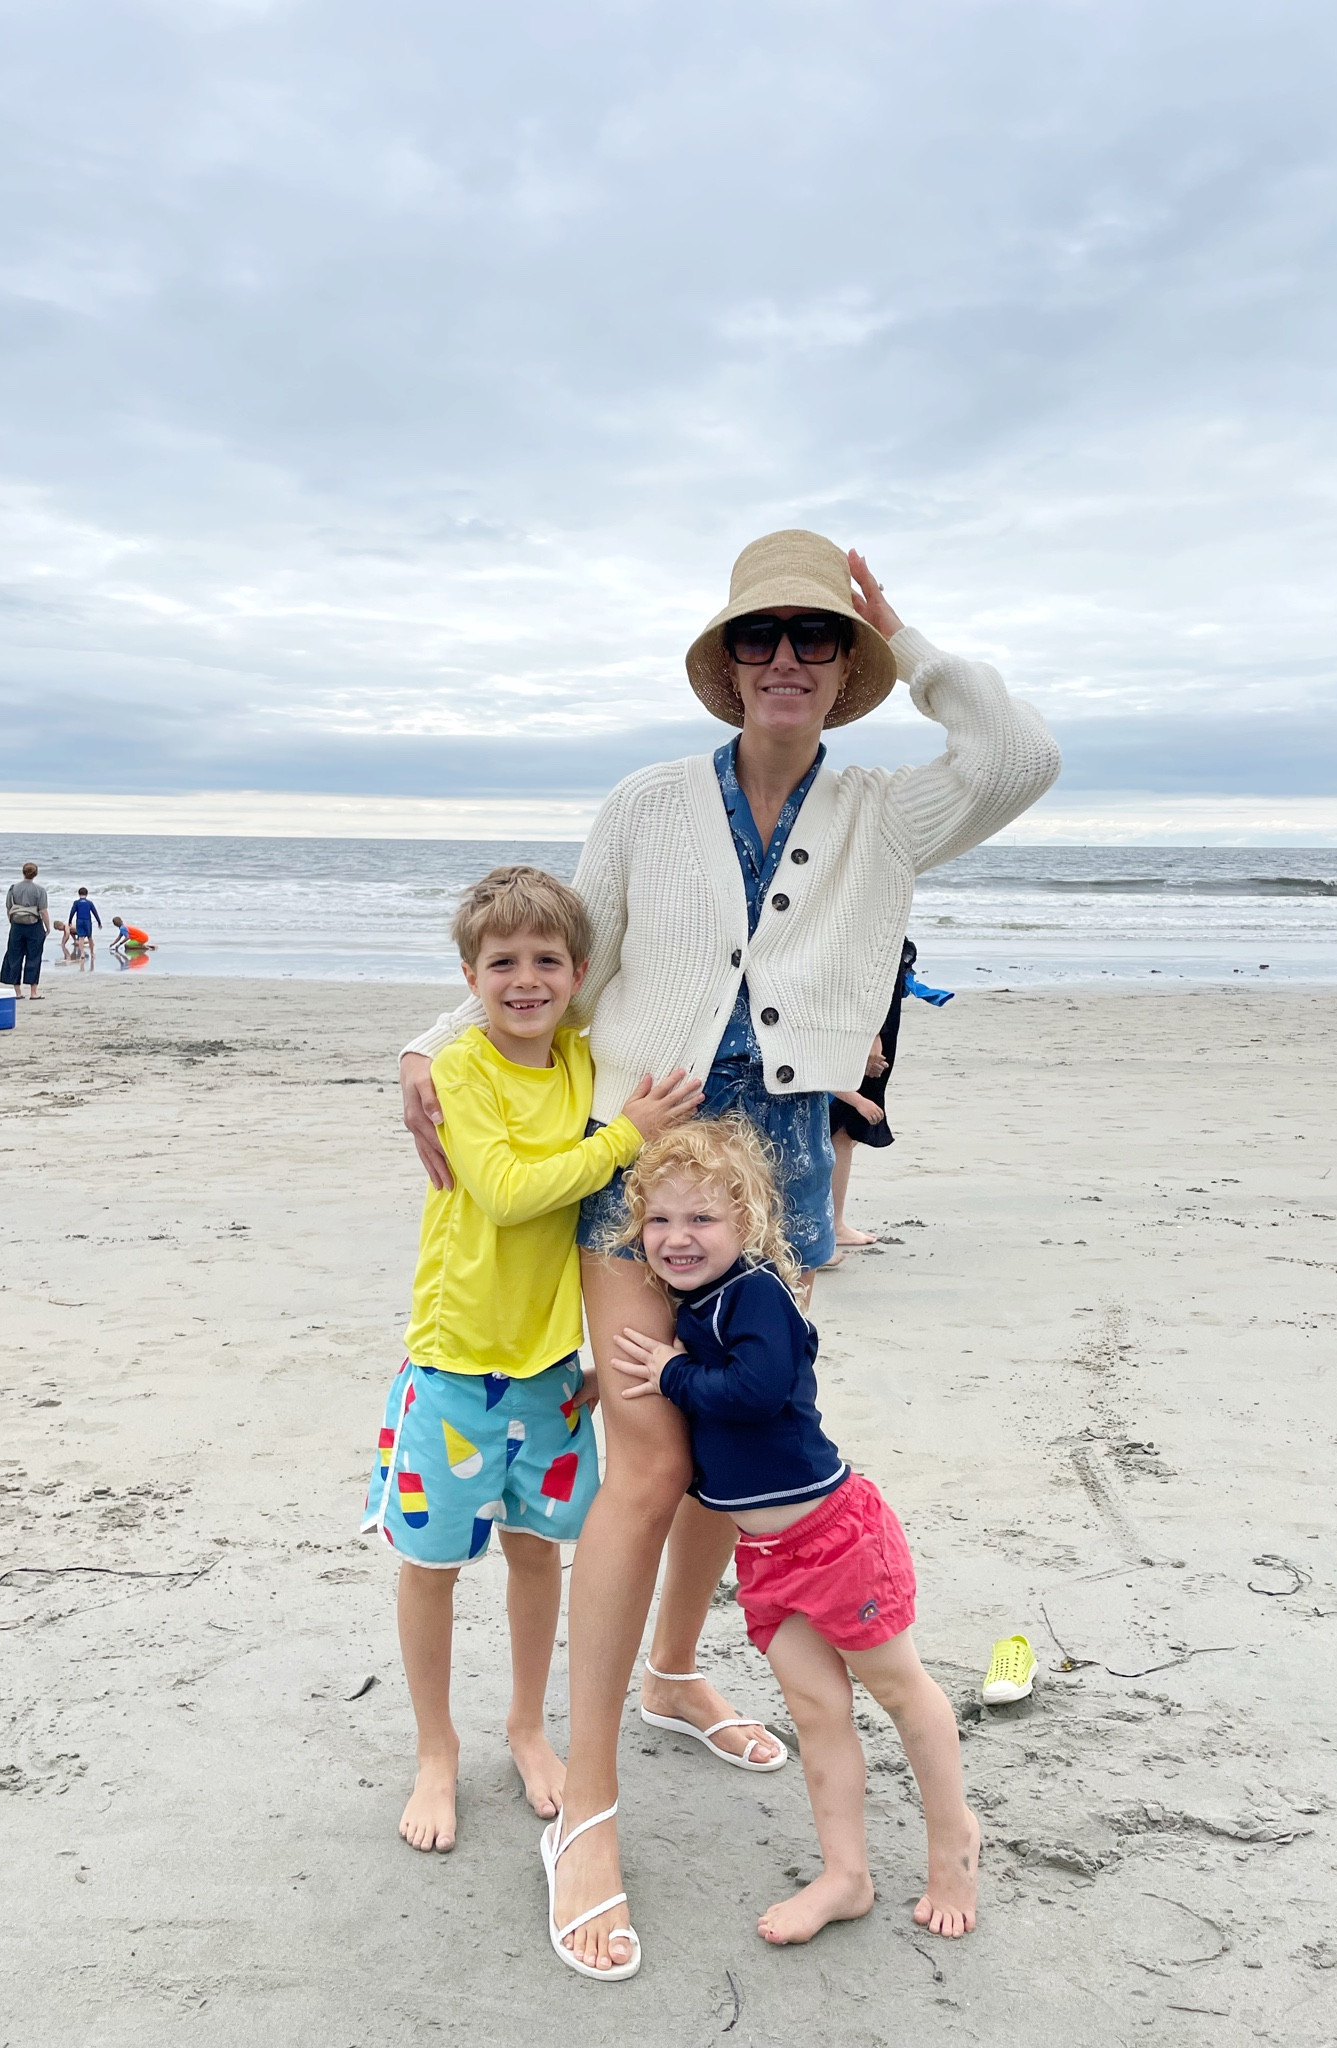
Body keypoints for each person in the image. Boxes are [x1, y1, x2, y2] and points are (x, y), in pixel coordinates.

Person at [399, 530, 1058, 1976]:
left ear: (846, 666)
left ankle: (679, 1671)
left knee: (734, 1439)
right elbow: (565, 971)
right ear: (724, 660)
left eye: (817, 641)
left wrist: (920, 645)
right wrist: (430, 1044)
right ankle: (591, 1820)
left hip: (778, 1182)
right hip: (646, 1157)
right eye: (761, 636)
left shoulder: (886, 811)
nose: (785, 662)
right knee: (645, 1460)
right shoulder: (645, 803)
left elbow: (1019, 758)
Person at [361, 867, 701, 1867]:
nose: (525, 978)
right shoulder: (460, 1067)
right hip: (456, 1360)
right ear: (470, 975)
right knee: (430, 1562)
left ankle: (524, 1723)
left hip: (553, 1368)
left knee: (536, 1551)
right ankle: (436, 1746)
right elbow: (507, 1192)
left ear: (578, 972)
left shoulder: (585, 1061)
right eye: (502, 962)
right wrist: (626, 1136)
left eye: (546, 960)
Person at [608, 1118, 980, 1947]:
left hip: (835, 1538)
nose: (677, 1237)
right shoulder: (691, 1306)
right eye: (660, 1220)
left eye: (702, 1218)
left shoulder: (756, 1294)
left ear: (746, 1223)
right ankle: (846, 1875)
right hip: (768, 1557)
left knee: (899, 1690)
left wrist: (670, 1373)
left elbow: (758, 1388)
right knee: (816, 1710)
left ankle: (953, 1841)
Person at [821, 935, 917, 1263]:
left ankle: (833, 1224)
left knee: (844, 1133)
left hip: (878, 1021)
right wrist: (870, 1032)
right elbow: (853, 966)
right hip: (863, 1025)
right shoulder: (869, 904)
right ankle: (828, 1227)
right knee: (838, 1128)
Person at [1, 862, 50, 999]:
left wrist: (12, 922)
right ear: (36, 874)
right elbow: (43, 911)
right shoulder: (40, 890)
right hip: (34, 925)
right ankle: (33, 992)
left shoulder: (13, 888)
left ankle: (18, 992)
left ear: (23, 872)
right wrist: (48, 927)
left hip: (17, 925)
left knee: (14, 956)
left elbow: (8, 908)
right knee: (34, 957)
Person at [68, 888, 103, 967]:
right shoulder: (89, 903)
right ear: (87, 894)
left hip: (79, 921)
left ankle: (82, 953)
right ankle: (92, 953)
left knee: (81, 938)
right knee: (90, 937)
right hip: (87, 921)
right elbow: (95, 912)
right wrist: (99, 922)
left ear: (78, 894)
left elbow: (72, 911)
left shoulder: (76, 902)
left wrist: (69, 921)